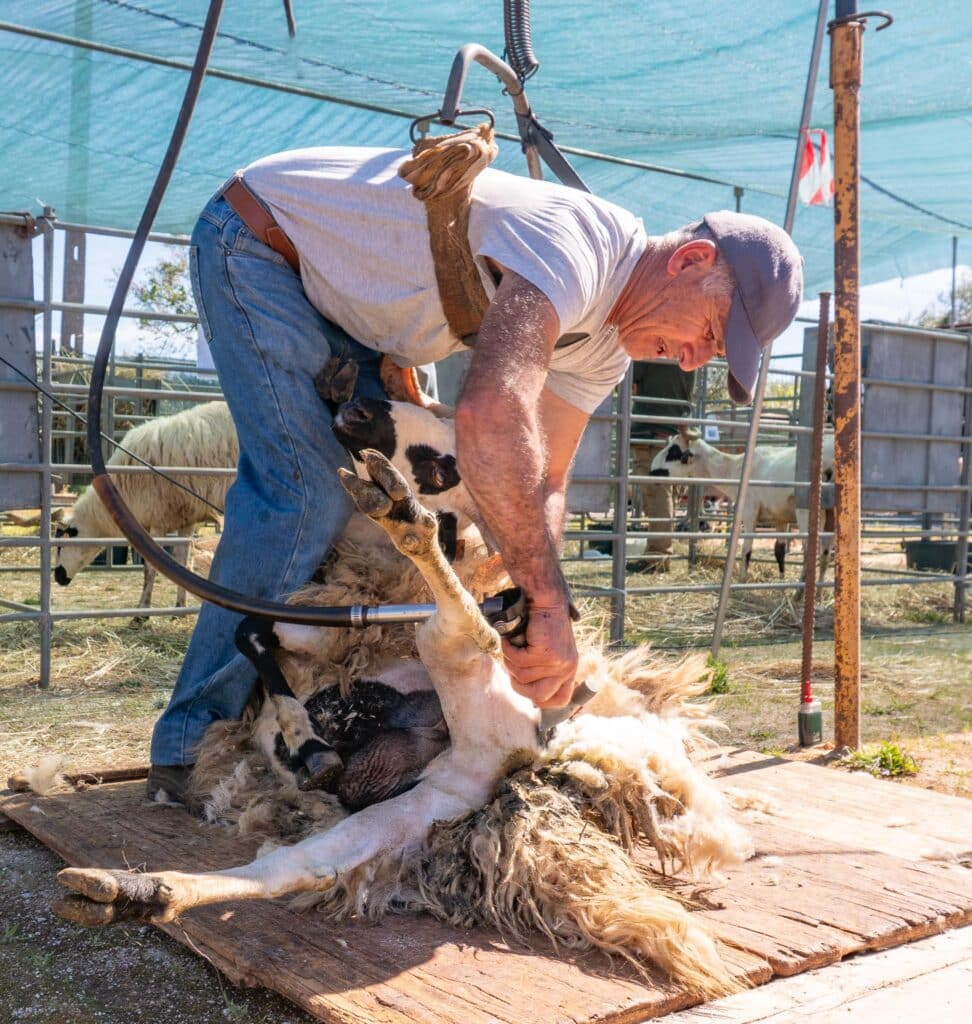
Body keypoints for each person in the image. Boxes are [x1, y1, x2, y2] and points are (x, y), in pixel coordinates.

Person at [147, 141, 803, 805]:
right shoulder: (580, 248)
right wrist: (545, 601)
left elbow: (542, 475)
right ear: (691, 260)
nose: (692, 362)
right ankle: (189, 744)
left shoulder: (607, 347)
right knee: (305, 495)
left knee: (382, 513)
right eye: (709, 332)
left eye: (711, 356)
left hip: (359, 310)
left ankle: (288, 729)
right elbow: (493, 414)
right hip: (264, 245)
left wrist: (535, 598)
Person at [627, 362, 696, 574]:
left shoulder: (649, 348)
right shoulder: (689, 354)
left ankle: (659, 555)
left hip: (651, 429)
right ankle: (658, 551)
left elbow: (627, 383)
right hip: (674, 430)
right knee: (663, 491)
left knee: (657, 491)